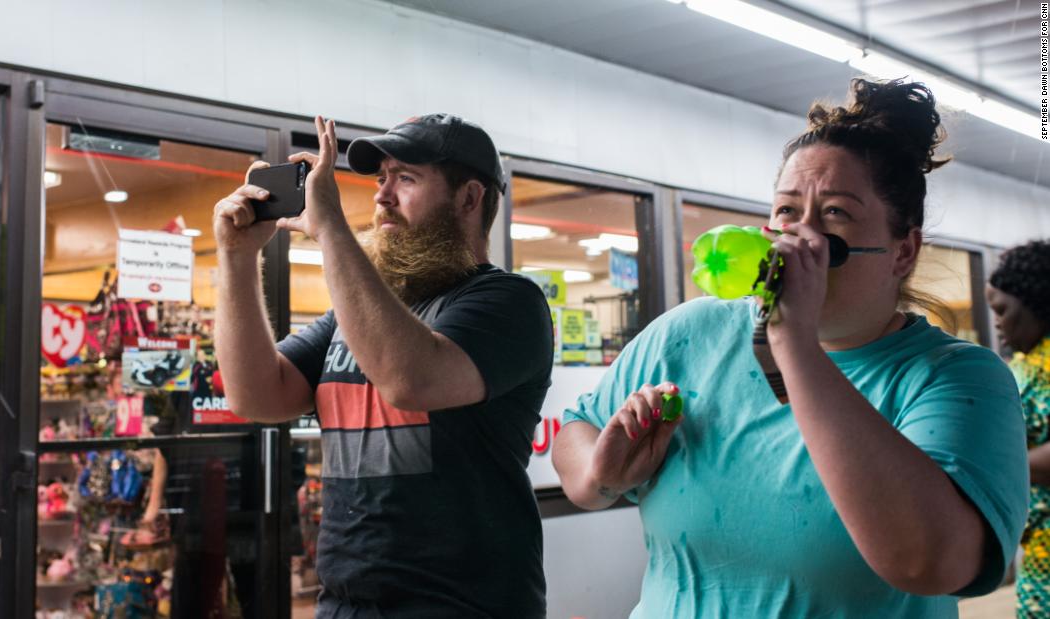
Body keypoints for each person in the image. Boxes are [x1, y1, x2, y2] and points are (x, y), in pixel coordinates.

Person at [552, 78, 1029, 618]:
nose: (798, 239)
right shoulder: (690, 332)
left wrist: (794, 345)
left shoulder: (957, 377)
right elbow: (576, 431)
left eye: (834, 215)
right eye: (785, 211)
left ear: (903, 250)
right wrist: (601, 476)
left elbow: (931, 563)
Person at [213, 114, 552, 618]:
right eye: (380, 178)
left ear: (469, 198)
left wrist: (329, 229)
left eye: (406, 179)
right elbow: (256, 395)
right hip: (347, 603)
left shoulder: (508, 302)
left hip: (463, 606)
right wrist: (237, 259)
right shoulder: (356, 314)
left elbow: (409, 379)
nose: (382, 196)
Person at [986, 239, 1050, 617]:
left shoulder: (1035, 370)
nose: (996, 322)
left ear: (1037, 303)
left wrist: (999, 466)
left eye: (1002, 309)